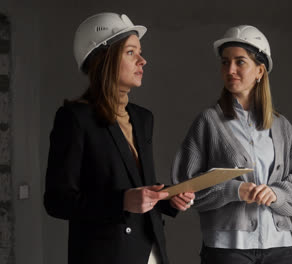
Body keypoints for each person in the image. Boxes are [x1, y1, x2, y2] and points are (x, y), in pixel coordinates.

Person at [43, 12, 194, 264]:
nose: (143, 61)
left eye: (140, 52)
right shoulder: (75, 118)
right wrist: (121, 201)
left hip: (152, 249)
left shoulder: (143, 118)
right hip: (106, 254)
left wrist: (168, 198)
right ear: (104, 59)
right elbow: (57, 201)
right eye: (131, 52)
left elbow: (136, 183)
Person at [171, 25, 292, 264]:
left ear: (260, 71)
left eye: (240, 62)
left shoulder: (281, 126)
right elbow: (185, 186)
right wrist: (235, 190)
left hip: (279, 246)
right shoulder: (209, 122)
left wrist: (276, 193)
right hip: (228, 248)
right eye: (225, 62)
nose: (230, 70)